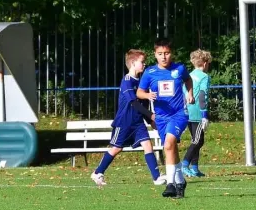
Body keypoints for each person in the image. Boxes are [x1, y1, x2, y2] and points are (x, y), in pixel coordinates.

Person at [90, 49, 167, 187]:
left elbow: (143, 104)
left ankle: (156, 178)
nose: (144, 65)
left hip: (137, 123)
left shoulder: (142, 83)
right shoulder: (127, 81)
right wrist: (151, 116)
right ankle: (97, 172)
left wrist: (150, 120)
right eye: (142, 62)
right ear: (132, 63)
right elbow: (133, 102)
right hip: (124, 122)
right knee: (116, 148)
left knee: (148, 145)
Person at [137, 37, 194, 198]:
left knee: (168, 144)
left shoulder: (179, 69)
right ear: (155, 54)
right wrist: (148, 95)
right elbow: (139, 92)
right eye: (160, 53)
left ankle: (170, 184)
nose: (163, 57)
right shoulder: (150, 73)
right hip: (161, 117)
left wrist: (189, 93)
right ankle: (180, 181)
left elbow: (188, 79)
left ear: (172, 53)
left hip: (179, 114)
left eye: (167, 53)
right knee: (171, 148)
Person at [182, 49, 212, 178]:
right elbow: (202, 95)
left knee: (198, 140)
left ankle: (194, 168)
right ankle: (184, 164)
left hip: (187, 111)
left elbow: (184, 93)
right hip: (197, 112)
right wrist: (204, 115)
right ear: (205, 63)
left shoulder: (188, 75)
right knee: (197, 140)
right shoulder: (204, 76)